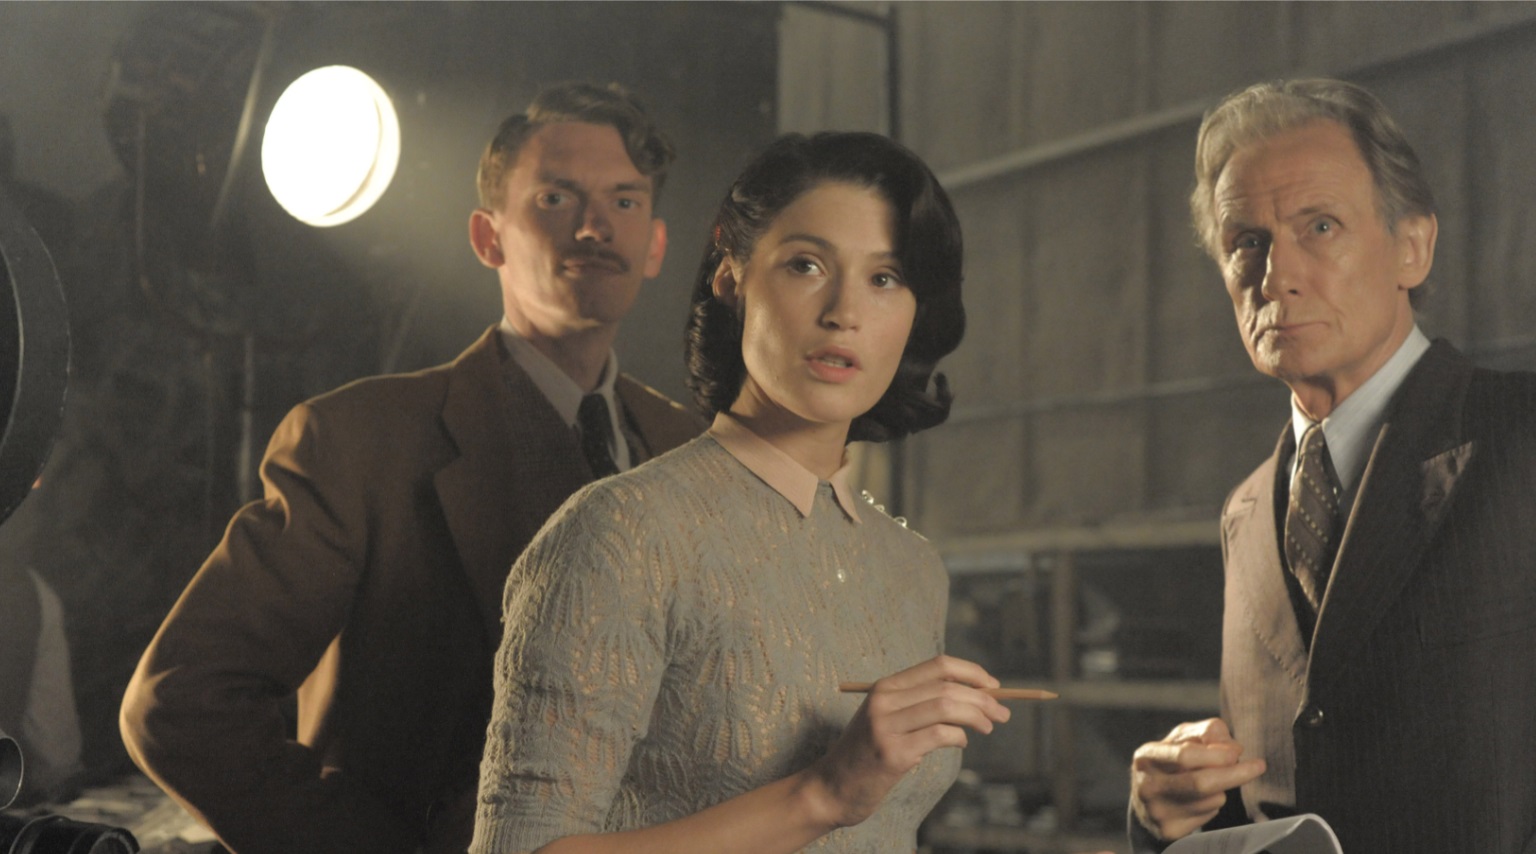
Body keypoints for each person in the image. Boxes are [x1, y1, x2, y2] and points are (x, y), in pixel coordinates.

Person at [119, 82, 703, 854]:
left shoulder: (692, 448)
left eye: (624, 201)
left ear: (655, 245)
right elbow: (182, 704)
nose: (595, 227)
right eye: (557, 198)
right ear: (488, 237)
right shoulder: (359, 440)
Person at [469, 131, 1012, 854]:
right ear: (731, 275)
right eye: (806, 265)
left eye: (885, 278)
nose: (844, 310)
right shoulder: (623, 531)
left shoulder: (914, 569)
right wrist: (821, 795)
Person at [1128, 78, 1536, 854]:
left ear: (1412, 247)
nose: (1276, 275)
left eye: (1320, 226)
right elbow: (1277, 802)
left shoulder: (1520, 436)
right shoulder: (1247, 513)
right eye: (1245, 242)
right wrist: (1170, 815)